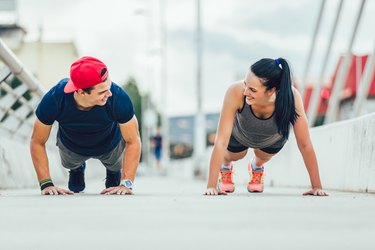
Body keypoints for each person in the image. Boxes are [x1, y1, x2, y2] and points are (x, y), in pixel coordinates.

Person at [204, 58, 328, 196]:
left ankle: (256, 167)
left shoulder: (291, 98)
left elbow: (305, 144)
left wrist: (317, 187)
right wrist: (211, 186)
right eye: (245, 84)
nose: (245, 92)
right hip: (240, 135)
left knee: (262, 156)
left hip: (271, 138)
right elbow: (221, 140)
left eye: (252, 89)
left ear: (271, 90)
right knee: (236, 154)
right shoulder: (235, 91)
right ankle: (226, 165)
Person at [30, 56, 141, 195]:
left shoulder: (118, 97)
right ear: (81, 91)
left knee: (115, 166)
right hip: (72, 146)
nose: (110, 93)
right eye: (102, 92)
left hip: (110, 145)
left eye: (109, 87)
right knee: (70, 165)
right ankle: (77, 168)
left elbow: (133, 140)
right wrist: (46, 184)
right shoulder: (55, 98)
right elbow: (37, 141)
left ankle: (113, 171)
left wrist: (126, 183)